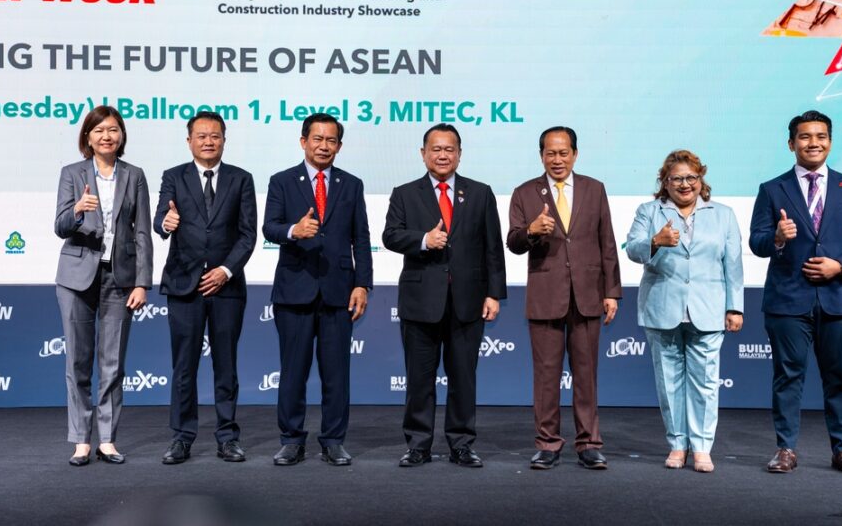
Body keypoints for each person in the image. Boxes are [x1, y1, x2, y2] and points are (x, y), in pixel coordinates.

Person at [750, 110, 842, 475]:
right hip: (787, 300)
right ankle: (785, 449)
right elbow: (757, 242)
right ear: (791, 143)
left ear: (830, 142)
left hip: (840, 298)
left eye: (821, 136)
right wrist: (777, 238)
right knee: (787, 377)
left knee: (840, 378)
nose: (813, 143)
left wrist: (840, 265)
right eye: (805, 137)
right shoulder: (772, 189)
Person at [382, 124, 507, 468]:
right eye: (435, 149)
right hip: (420, 302)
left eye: (449, 149)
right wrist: (423, 240)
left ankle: (462, 444)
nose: (442, 155)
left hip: (468, 302)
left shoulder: (480, 193)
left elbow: (493, 248)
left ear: (459, 154)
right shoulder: (405, 193)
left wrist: (494, 294)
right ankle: (418, 445)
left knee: (463, 379)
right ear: (423, 153)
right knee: (419, 380)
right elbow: (390, 235)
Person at [506, 126, 622, 471]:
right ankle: (547, 444)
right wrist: (531, 232)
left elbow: (607, 243)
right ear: (541, 155)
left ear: (575, 154)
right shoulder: (525, 192)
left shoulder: (594, 189)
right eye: (550, 153)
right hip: (546, 296)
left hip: (588, 295)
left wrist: (611, 292)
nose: (557, 160)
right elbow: (513, 242)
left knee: (586, 376)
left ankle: (589, 444)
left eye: (563, 152)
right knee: (546, 376)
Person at [262, 114, 373, 466]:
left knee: (336, 374)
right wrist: (293, 231)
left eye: (331, 140)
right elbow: (269, 227)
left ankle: (334, 440)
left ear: (339, 145)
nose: (324, 146)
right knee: (293, 372)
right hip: (294, 291)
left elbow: (361, 238)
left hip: (338, 292)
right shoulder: (282, 181)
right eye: (317, 139)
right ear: (303, 141)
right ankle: (291, 440)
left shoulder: (351, 184)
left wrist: (362, 284)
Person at [625, 150, 744, 473]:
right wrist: (655, 241)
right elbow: (632, 249)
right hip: (662, 307)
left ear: (701, 179)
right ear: (665, 182)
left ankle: (702, 447)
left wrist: (735, 307)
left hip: (709, 308)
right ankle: (678, 443)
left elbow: (733, 264)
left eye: (691, 177)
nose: (684, 184)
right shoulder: (649, 211)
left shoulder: (723, 214)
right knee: (669, 382)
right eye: (676, 178)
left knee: (705, 382)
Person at [153, 111, 257, 465]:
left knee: (226, 365)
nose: (208, 141)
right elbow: (159, 221)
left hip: (227, 287)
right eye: (201, 136)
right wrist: (166, 222)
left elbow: (247, 234)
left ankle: (227, 437)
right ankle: (182, 437)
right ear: (189, 141)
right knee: (184, 367)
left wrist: (225, 271)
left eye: (215, 135)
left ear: (224, 140)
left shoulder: (241, 179)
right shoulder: (173, 176)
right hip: (184, 284)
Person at [54, 105, 152, 466]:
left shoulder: (135, 175)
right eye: (99, 130)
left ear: (121, 135)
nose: (106, 136)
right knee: (78, 362)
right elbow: (60, 226)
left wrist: (142, 282)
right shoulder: (72, 173)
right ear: (88, 137)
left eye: (113, 129)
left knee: (113, 364)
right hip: (76, 278)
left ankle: (107, 440)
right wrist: (78, 209)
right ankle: (81, 440)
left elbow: (143, 232)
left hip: (119, 278)